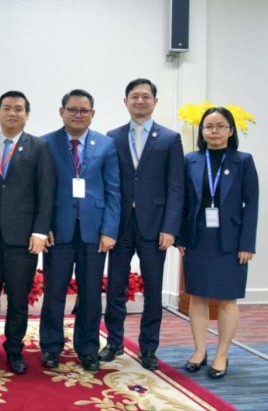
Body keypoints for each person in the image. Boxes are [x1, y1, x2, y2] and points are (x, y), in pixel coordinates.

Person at [0, 91, 55, 375]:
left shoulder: (39, 147)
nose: (12, 113)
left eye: (18, 108)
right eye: (6, 108)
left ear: (27, 115)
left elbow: (46, 192)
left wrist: (40, 231)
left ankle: (14, 349)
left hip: (22, 238)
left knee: (18, 298)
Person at [101, 79, 185, 370]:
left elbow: (176, 187)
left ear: (155, 101)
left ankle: (149, 348)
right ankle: (114, 342)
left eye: (145, 96)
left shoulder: (170, 138)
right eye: (134, 96)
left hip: (155, 226)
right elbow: (108, 183)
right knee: (115, 287)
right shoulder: (112, 137)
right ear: (125, 101)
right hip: (121, 225)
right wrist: (107, 226)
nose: (140, 101)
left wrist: (170, 227)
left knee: (153, 289)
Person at [39, 89, 120, 372]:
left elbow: (114, 190)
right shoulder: (45, 143)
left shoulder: (106, 145)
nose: (78, 115)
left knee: (90, 293)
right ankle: (51, 347)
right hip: (58, 231)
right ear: (61, 112)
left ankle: (87, 348)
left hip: (94, 232)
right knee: (54, 293)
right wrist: (43, 228)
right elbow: (40, 191)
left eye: (84, 110)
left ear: (92, 114)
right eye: (72, 109)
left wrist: (109, 230)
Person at [178, 107, 258, 379]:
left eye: (220, 126)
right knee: (197, 296)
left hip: (231, 241)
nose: (214, 131)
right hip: (197, 238)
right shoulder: (191, 160)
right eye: (208, 126)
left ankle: (221, 354)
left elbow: (252, 204)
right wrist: (181, 236)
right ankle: (199, 350)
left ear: (230, 130)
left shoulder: (243, 161)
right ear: (201, 131)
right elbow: (182, 201)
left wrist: (247, 243)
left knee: (227, 299)